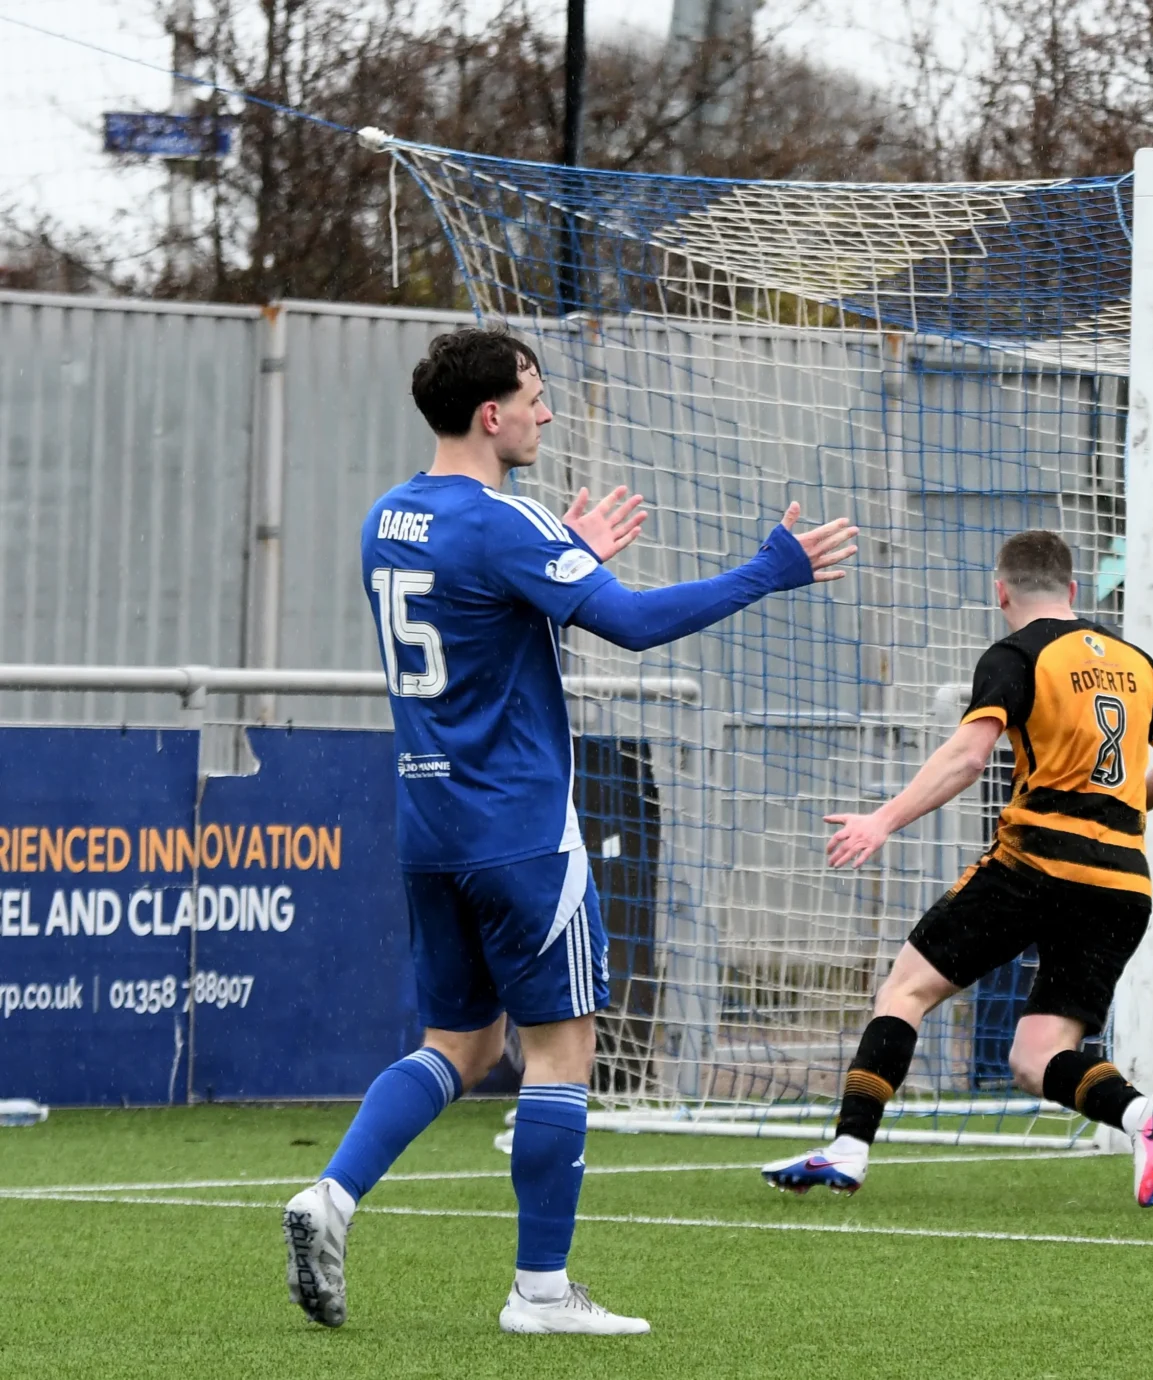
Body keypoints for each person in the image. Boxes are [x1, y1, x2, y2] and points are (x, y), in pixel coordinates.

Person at [284, 328, 856, 1335]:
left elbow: (480, 613)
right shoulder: (503, 521)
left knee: (459, 1042)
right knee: (560, 1047)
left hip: (430, 825)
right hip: (520, 831)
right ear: (491, 414)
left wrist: (569, 554)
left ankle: (329, 1196)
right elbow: (630, 624)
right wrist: (770, 570)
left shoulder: (389, 516)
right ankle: (541, 1293)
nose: (548, 412)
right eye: (535, 395)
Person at [762, 530, 1153, 1206]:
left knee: (906, 991)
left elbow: (969, 756)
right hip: (1120, 883)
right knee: (1037, 1059)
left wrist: (881, 819)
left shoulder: (1016, 654)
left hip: (1036, 865)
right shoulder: (1133, 660)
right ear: (1071, 590)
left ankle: (850, 1149)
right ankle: (1140, 1114)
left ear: (999, 590)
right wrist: (1118, 806)